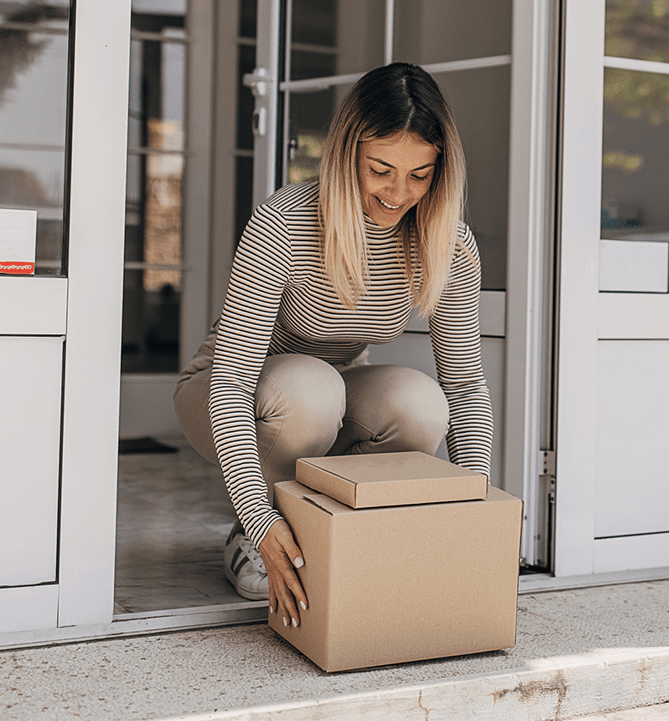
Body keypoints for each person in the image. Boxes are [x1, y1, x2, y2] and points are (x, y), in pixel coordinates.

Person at [174, 61, 493, 628]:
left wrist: (477, 512)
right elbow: (230, 382)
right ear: (348, 153)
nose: (399, 194)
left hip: (334, 389)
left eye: (420, 175)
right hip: (230, 390)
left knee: (419, 403)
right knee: (309, 391)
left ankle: (329, 530)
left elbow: (465, 385)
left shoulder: (448, 244)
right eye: (381, 170)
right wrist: (258, 516)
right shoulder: (285, 221)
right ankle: (261, 528)